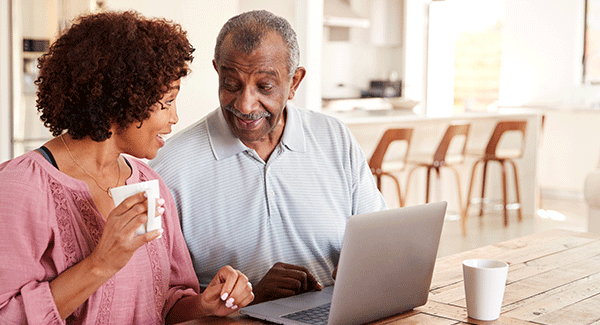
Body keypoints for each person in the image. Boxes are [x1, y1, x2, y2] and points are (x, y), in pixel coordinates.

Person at [0, 11, 253, 324]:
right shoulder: (20, 187)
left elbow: (167, 303)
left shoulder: (151, 184)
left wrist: (205, 305)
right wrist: (101, 263)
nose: (174, 118)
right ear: (121, 99)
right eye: (166, 103)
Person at [150, 10, 387, 305]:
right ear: (217, 72)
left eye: (265, 87)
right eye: (231, 84)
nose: (246, 105)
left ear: (294, 82)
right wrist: (250, 298)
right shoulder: (170, 168)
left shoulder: (335, 138)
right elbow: (159, 301)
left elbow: (378, 241)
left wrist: (360, 267)